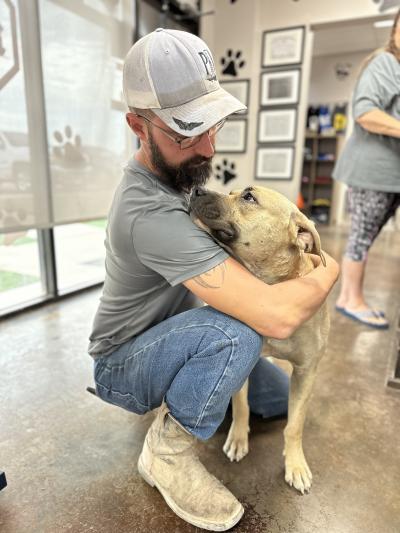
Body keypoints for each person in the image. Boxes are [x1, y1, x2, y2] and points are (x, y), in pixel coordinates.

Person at [88, 28, 339, 531]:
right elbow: (278, 315)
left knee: (267, 400)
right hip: (124, 362)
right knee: (243, 331)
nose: (207, 146)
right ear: (138, 125)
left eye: (211, 123)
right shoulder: (149, 213)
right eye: (185, 131)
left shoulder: (180, 181)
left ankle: (200, 388)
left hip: (178, 333)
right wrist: (328, 265)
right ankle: (165, 454)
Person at [332, 9, 400, 329]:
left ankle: (351, 297)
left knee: (366, 238)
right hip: (372, 172)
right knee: (360, 238)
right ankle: (350, 300)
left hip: (390, 176)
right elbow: (366, 112)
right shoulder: (385, 63)